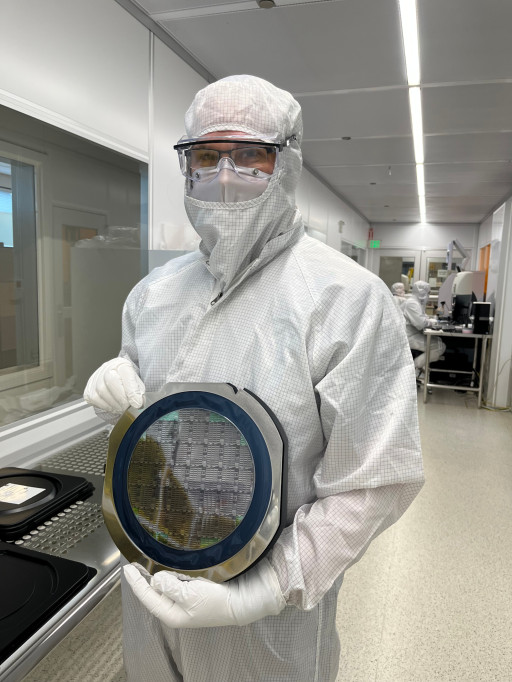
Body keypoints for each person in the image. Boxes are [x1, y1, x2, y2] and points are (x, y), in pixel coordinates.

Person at [84, 74, 424, 682]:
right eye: (206, 156)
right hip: (152, 576)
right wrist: (119, 381)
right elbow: (147, 426)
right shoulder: (152, 295)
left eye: (249, 155)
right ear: (186, 164)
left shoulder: (345, 300)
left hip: (267, 621)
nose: (224, 174)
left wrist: (264, 589)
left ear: (286, 161)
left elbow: (375, 482)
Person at [403, 280, 446, 376]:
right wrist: (432, 323)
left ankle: (417, 368)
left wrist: (431, 321)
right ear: (422, 291)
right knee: (439, 346)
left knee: (438, 341)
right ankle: (413, 369)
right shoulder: (412, 303)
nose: (428, 295)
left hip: (413, 334)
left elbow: (424, 317)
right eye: (428, 293)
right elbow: (421, 323)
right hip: (409, 337)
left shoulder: (416, 303)